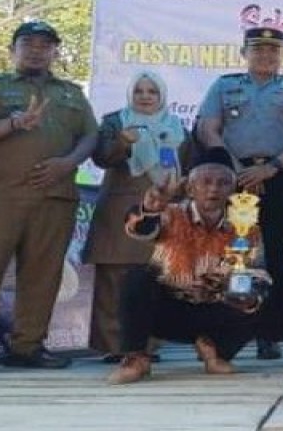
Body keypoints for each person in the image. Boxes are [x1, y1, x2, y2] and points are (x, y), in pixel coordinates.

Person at [0, 21, 99, 374]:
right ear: (13, 50)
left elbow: (90, 136)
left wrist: (67, 163)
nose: (37, 51)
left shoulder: (71, 93)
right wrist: (11, 124)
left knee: (44, 275)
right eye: (28, 44)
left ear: (55, 52)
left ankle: (28, 346)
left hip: (55, 195)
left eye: (45, 45)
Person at [197, 27, 283, 359]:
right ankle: (224, 332)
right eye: (258, 49)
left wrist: (273, 167)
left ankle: (270, 333)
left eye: (273, 50)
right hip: (231, 175)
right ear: (244, 53)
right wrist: (236, 168)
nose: (265, 55)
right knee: (230, 254)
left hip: (279, 174)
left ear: (282, 55)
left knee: (279, 255)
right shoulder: (224, 86)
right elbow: (208, 128)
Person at [107, 155, 268, 384]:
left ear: (233, 191)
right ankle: (136, 358)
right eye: (206, 182)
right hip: (170, 309)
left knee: (260, 293)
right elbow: (140, 230)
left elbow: (257, 271)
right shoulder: (170, 213)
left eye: (223, 183)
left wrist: (231, 287)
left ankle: (216, 352)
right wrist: (150, 209)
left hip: (216, 307)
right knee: (136, 278)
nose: (214, 189)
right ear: (190, 189)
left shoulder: (246, 227)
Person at [85, 69, 189, 360]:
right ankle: (114, 347)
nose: (145, 97)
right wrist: (122, 142)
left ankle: (147, 346)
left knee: (156, 278)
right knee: (114, 279)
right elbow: (102, 157)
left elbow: (190, 167)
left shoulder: (177, 127)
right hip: (121, 211)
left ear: (162, 96)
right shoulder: (115, 122)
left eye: (152, 91)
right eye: (139, 91)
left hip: (165, 212)